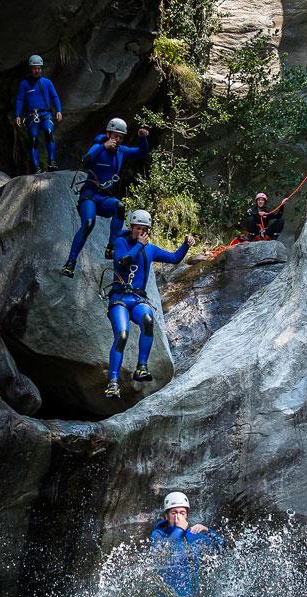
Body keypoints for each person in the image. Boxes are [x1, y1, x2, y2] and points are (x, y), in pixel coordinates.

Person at [103, 209, 194, 399]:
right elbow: (122, 261)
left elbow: (174, 258)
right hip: (119, 298)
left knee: (147, 318)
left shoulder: (150, 249)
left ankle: (141, 367)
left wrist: (186, 245)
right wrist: (138, 246)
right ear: (131, 227)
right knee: (122, 334)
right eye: (137, 228)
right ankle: (112, 382)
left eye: (143, 229)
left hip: (137, 299)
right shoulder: (121, 242)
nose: (140, 232)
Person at [61, 118, 150, 278]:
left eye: (120, 137)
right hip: (89, 195)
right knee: (88, 223)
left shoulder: (121, 151)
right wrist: (103, 147)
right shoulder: (98, 147)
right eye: (115, 136)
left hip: (104, 198)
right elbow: (85, 161)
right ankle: (70, 263)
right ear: (108, 134)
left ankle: (111, 246)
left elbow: (142, 152)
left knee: (119, 207)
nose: (117, 140)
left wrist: (143, 138)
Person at [14, 54, 63, 173]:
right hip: (32, 116)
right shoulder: (24, 84)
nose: (38, 71)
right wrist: (17, 115)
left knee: (49, 132)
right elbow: (20, 99)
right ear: (31, 69)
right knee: (33, 139)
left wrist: (59, 110)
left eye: (39, 68)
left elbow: (54, 96)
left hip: (46, 114)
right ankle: (36, 167)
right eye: (35, 68)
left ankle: (51, 162)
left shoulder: (47, 82)